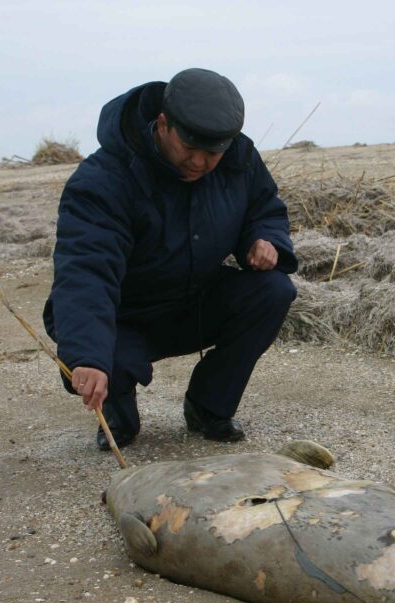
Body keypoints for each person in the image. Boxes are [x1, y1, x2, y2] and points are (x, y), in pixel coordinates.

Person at [43, 68, 297, 450]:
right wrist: (88, 355)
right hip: (123, 317)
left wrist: (264, 238)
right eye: (189, 149)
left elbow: (264, 208)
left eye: (212, 154)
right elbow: (86, 270)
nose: (199, 163)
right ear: (162, 124)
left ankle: (208, 407)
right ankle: (117, 409)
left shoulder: (237, 158)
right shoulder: (103, 179)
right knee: (104, 363)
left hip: (192, 302)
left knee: (273, 290)